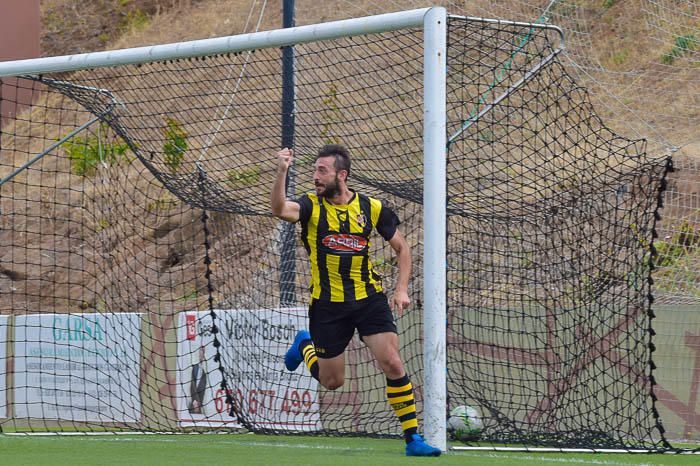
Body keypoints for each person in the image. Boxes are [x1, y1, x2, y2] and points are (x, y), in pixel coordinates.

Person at [270, 144, 441, 457]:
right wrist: (282, 171)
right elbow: (280, 209)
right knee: (332, 381)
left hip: (368, 299)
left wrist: (401, 289)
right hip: (328, 306)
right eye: (314, 170)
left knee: (391, 361)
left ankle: (413, 439)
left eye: (322, 171)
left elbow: (403, 249)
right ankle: (304, 345)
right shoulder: (310, 206)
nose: (316, 176)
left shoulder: (371, 208)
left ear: (342, 175)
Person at [188, 345, 207, 415]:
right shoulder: (194, 367)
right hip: (193, 398)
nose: (201, 354)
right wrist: (195, 399)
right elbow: (191, 383)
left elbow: (203, 386)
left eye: (203, 352)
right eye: (200, 351)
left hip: (200, 399)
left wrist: (199, 401)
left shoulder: (204, 369)